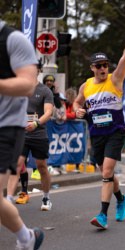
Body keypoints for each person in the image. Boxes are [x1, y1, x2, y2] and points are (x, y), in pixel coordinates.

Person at [73, 25, 125, 229]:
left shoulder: (115, 79)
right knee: (105, 172)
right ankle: (121, 199)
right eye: (99, 65)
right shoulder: (86, 86)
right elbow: (77, 102)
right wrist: (77, 109)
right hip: (97, 133)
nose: (103, 68)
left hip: (115, 131)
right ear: (92, 67)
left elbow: (124, 57)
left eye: (105, 65)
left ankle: (102, 215)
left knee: (107, 171)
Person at [0, 19, 44, 249]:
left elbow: (28, 85)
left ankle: (27, 238)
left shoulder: (13, 39)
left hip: (6, 128)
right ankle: (27, 238)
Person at [6, 57, 54, 211]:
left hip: (39, 134)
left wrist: (36, 123)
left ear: (37, 71)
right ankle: (8, 200)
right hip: (21, 135)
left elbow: (48, 113)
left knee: (41, 167)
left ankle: (46, 197)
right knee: (17, 165)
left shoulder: (45, 91)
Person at [49, 92, 67, 175]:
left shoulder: (62, 107)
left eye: (63, 100)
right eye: (61, 100)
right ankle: (50, 166)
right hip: (53, 128)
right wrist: (61, 117)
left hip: (60, 129)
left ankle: (58, 166)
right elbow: (56, 115)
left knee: (59, 146)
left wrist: (63, 117)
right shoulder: (55, 106)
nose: (62, 101)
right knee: (52, 146)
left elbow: (64, 115)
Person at [65, 87, 81, 172]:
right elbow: (65, 114)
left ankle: (77, 165)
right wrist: (74, 115)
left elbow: (77, 114)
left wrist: (74, 114)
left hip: (74, 130)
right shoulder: (65, 103)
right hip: (66, 129)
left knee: (75, 146)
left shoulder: (74, 104)